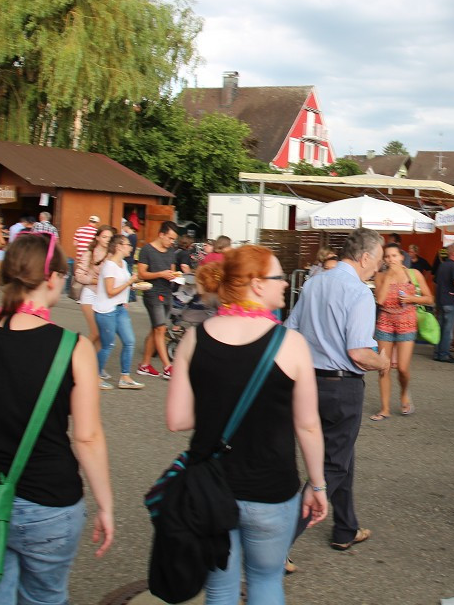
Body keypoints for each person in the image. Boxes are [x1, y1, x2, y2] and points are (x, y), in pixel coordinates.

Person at [0, 232, 114, 602]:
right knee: (45, 595)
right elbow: (87, 438)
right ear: (50, 279)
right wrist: (105, 504)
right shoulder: (74, 347)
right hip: (50, 503)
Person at [166, 245, 327, 604]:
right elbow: (308, 426)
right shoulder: (291, 344)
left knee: (220, 589)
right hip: (271, 489)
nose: (285, 284)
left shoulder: (196, 336)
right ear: (256, 284)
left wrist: (216, 405)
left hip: (210, 486)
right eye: (278, 278)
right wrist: (317, 485)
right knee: (266, 580)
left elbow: (177, 419)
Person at [286, 228, 390, 554]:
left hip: (309, 381)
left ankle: (345, 528)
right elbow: (359, 352)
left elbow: (290, 331)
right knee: (333, 463)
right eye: (380, 258)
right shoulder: (359, 292)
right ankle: (277, 543)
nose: (380, 265)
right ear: (365, 257)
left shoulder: (315, 281)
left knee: (341, 457)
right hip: (341, 385)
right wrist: (383, 362)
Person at [371, 242, 433, 420]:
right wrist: (389, 276)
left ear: (401, 257)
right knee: (384, 366)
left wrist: (412, 298)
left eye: (394, 256)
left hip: (407, 321)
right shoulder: (381, 276)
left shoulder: (414, 274)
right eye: (387, 256)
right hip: (385, 321)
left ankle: (404, 393)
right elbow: (381, 300)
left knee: (403, 369)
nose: (391, 259)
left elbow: (429, 298)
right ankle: (384, 409)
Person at [94, 234, 144, 390]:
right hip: (106, 309)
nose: (131, 247)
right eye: (128, 244)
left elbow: (122, 286)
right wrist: (129, 282)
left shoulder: (123, 263)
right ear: (119, 246)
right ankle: (94, 376)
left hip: (120, 308)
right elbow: (110, 291)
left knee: (129, 342)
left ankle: (125, 377)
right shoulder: (109, 265)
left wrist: (132, 288)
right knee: (108, 344)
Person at [135, 221, 179, 379]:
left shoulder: (171, 250)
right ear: (161, 234)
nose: (172, 242)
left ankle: (145, 365)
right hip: (152, 293)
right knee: (160, 329)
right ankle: (167, 367)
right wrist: (160, 274)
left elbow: (172, 270)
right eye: (170, 238)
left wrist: (174, 276)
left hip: (167, 292)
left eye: (174, 239)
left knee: (155, 329)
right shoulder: (147, 250)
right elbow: (141, 274)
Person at [75, 225, 115, 350]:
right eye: (104, 237)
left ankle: (96, 365)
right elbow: (79, 275)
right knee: (95, 332)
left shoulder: (112, 255)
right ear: (97, 238)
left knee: (102, 335)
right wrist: (96, 281)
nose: (107, 239)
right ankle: (75, 353)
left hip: (104, 297)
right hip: (90, 294)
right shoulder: (90, 253)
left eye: (110, 237)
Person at [433, 242, 454, 364]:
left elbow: (436, 283)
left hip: (441, 301)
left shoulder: (442, 265)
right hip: (450, 302)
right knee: (447, 329)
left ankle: (437, 353)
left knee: (440, 328)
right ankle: (444, 354)